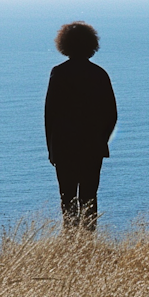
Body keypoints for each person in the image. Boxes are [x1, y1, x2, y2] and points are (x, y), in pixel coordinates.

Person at [43, 21, 117, 233]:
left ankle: (70, 242)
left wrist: (52, 148)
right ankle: (87, 242)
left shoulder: (59, 73)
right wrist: (101, 140)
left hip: (64, 146)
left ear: (64, 44)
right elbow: (111, 114)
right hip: (92, 147)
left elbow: (50, 115)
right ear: (91, 44)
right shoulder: (99, 74)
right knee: (89, 197)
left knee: (67, 198)